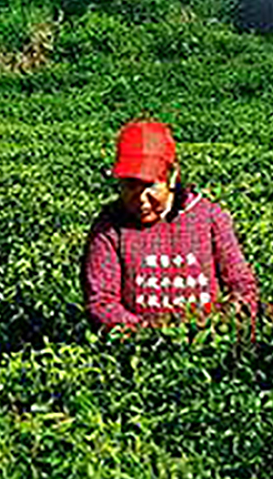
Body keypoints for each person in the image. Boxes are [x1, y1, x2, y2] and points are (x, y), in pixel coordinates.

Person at [83, 118, 258, 328]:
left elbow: (241, 284)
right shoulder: (109, 226)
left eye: (150, 186)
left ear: (172, 177)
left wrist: (219, 326)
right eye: (130, 186)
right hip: (136, 344)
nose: (141, 199)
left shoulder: (210, 217)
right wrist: (148, 334)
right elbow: (101, 302)